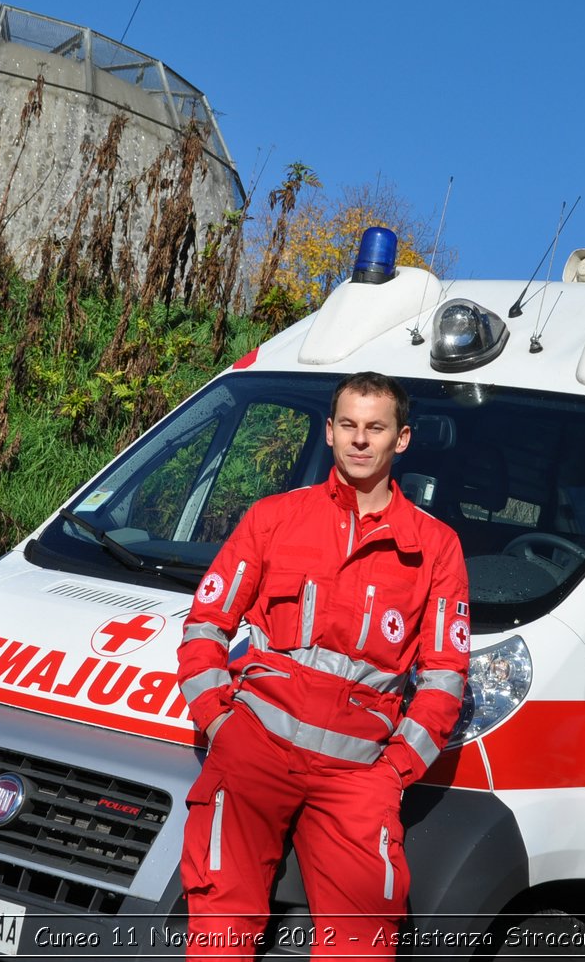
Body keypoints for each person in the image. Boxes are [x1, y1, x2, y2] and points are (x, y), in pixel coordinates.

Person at [176, 370, 471, 960]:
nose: (361, 440)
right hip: (253, 754)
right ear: (330, 432)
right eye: (349, 426)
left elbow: (444, 678)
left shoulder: (436, 547)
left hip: (357, 779)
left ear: (401, 439)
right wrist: (219, 723)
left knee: (363, 946)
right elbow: (205, 626)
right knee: (218, 932)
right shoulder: (273, 518)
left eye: (376, 428)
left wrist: (393, 772)